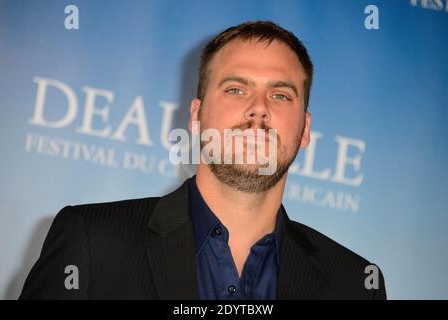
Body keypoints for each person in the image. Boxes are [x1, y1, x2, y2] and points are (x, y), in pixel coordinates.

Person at [20, 21, 386, 300]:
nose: (258, 109)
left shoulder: (356, 283)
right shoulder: (92, 241)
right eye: (236, 89)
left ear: (305, 129)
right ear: (196, 117)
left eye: (280, 95)